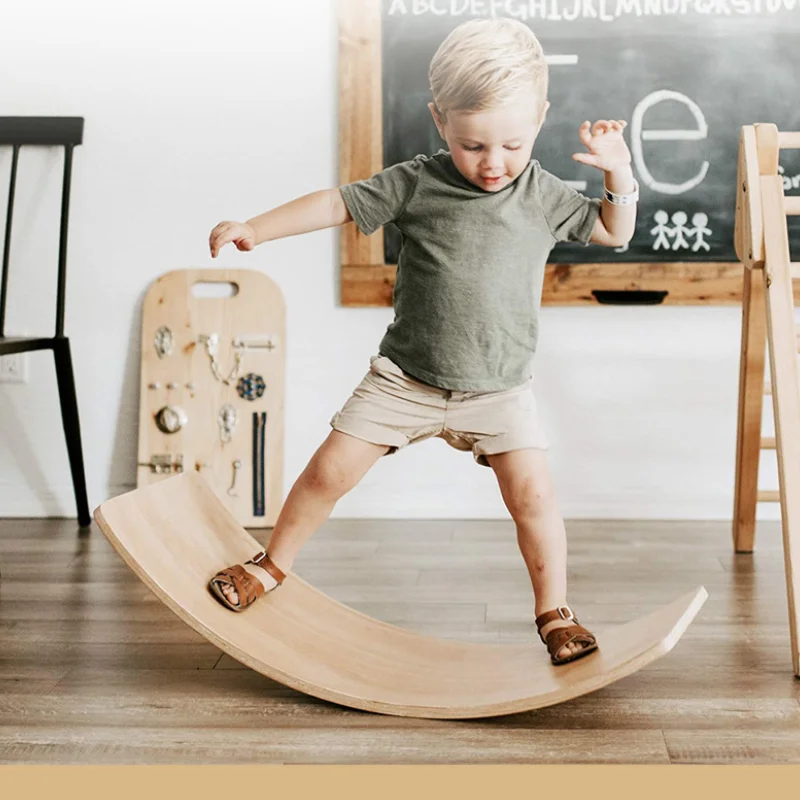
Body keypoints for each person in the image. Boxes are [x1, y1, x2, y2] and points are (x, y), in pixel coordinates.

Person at [206, 18, 638, 666]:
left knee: (535, 498)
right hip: (404, 380)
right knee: (328, 472)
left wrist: (619, 176)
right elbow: (335, 204)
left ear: (541, 118)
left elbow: (612, 232)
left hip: (499, 390)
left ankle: (555, 612)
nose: (493, 163)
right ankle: (271, 564)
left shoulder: (542, 194)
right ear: (441, 121)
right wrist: (256, 230)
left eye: (511, 145)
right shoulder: (415, 182)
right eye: (472, 145)